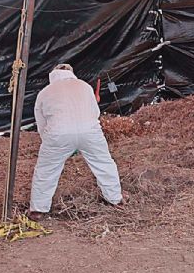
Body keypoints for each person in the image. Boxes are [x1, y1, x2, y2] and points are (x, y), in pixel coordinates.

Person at [28, 64, 123, 220]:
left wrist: (50, 142)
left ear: (53, 75)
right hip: (90, 132)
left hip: (58, 133)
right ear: (71, 73)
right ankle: (116, 199)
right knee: (104, 163)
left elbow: (41, 122)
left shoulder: (45, 92)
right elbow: (95, 112)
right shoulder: (84, 86)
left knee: (46, 170)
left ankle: (38, 209)